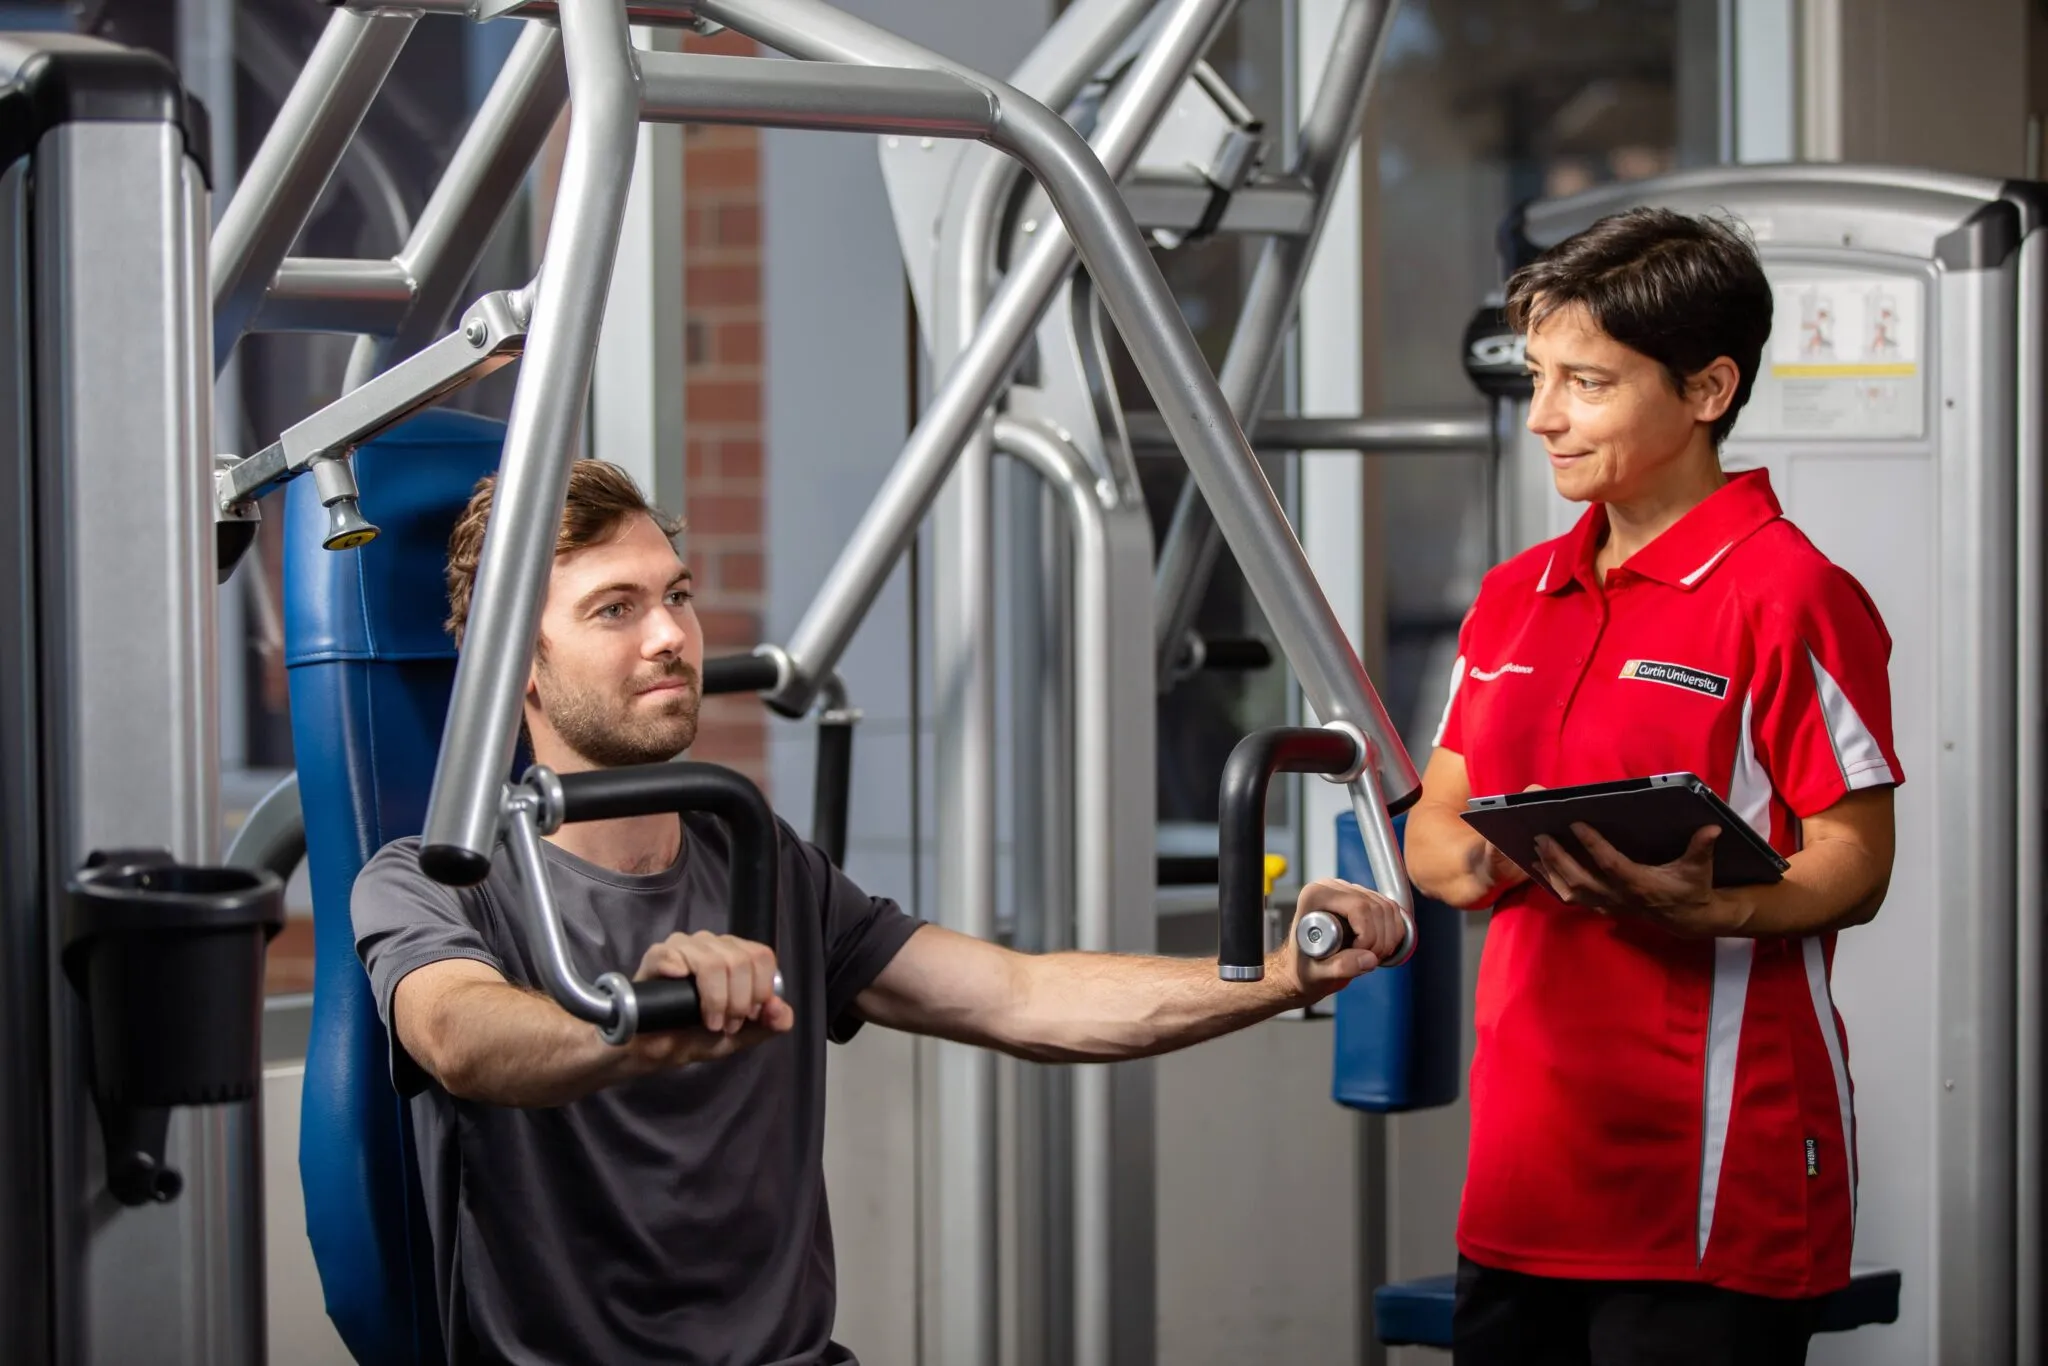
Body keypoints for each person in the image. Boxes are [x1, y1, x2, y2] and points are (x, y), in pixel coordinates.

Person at [352, 459, 1409, 1366]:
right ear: (507, 663)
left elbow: (1018, 995)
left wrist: (1279, 977)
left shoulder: (752, 854)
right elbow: (460, 1035)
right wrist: (636, 1025)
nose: (672, 634)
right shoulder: (433, 877)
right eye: (614, 608)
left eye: (675, 594)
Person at [1403, 208, 1901, 1366]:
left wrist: (1716, 906)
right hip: (1525, 1172)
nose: (1542, 417)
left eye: (1585, 382)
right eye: (1536, 377)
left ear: (1706, 388)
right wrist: (1488, 853)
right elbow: (1436, 817)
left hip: (1708, 1177)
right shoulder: (1515, 593)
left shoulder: (1789, 593)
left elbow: (1854, 859)